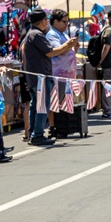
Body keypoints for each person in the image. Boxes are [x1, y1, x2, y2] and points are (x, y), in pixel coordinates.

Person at [21, 8, 65, 146]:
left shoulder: (32, 34)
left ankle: (34, 133)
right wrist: (67, 46)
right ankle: (37, 134)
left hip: (36, 77)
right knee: (42, 106)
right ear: (42, 21)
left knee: (36, 106)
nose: (47, 22)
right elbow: (50, 52)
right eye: (46, 19)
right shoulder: (36, 34)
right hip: (41, 78)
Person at [45, 9, 79, 137]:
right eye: (64, 22)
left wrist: (74, 46)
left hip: (67, 76)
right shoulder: (52, 35)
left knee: (64, 103)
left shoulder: (63, 34)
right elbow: (59, 50)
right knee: (56, 103)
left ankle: (63, 128)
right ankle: (54, 127)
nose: (66, 24)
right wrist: (69, 45)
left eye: (67, 22)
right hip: (58, 75)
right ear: (55, 22)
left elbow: (68, 50)